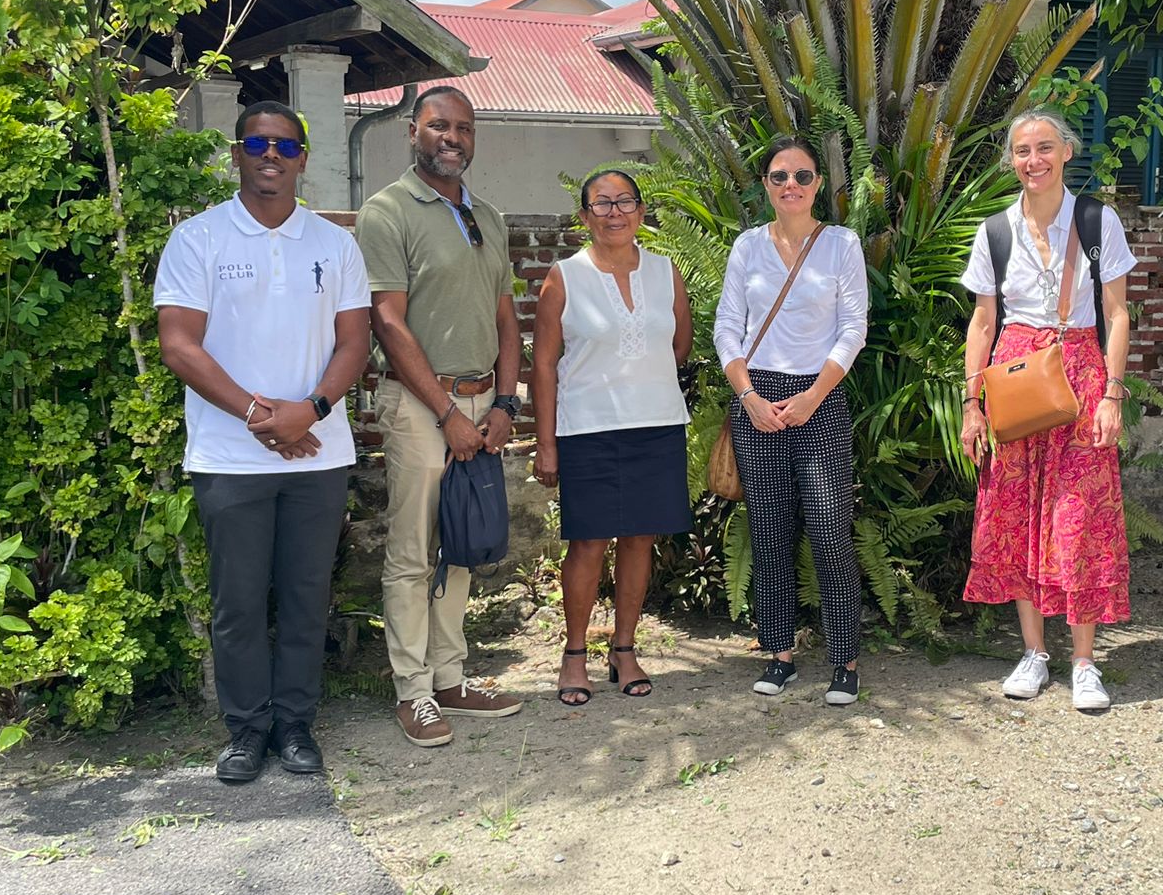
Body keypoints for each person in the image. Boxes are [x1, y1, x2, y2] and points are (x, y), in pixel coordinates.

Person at [155, 101, 371, 783]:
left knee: (307, 595)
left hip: (319, 452)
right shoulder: (198, 239)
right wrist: (260, 415)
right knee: (240, 602)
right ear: (237, 154)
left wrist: (308, 411)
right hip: (229, 457)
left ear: (304, 157)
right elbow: (179, 345)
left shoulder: (334, 244)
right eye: (256, 143)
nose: (270, 155)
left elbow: (355, 341)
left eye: (284, 145)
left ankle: (296, 726)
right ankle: (246, 731)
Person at [357, 86, 525, 748]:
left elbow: (508, 319)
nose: (450, 138)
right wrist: (449, 412)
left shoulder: (488, 214)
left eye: (462, 128)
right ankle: (414, 691)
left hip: (484, 406)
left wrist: (506, 405)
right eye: (437, 126)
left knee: (460, 546)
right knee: (410, 555)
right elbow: (388, 323)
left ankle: (451, 677)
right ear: (412, 132)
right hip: (423, 406)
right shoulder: (387, 211)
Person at [959, 109, 1136, 711]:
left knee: (1079, 515)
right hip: (1013, 379)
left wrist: (1112, 392)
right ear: (1011, 160)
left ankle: (1084, 661)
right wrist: (971, 405)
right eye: (1021, 151)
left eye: (1043, 148)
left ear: (1065, 152)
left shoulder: (1095, 220)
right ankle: (1034, 653)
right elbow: (983, 322)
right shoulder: (995, 231)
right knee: (1017, 514)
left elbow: (1116, 314)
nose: (1032, 160)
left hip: (1081, 373)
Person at [714, 134, 869, 705]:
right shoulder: (748, 247)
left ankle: (845, 660)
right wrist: (749, 396)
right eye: (780, 177)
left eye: (802, 176)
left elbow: (853, 327)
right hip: (757, 401)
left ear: (818, 186)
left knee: (830, 533)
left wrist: (812, 396)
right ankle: (778, 653)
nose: (791, 186)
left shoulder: (841, 245)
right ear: (766, 187)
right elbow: (727, 326)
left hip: (820, 397)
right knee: (771, 534)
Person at [530, 171, 693, 704]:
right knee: (588, 543)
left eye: (625, 201)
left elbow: (679, 347)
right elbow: (545, 365)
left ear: (642, 212)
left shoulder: (667, 273)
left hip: (655, 425)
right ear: (584, 218)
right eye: (601, 203)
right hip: (588, 430)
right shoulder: (564, 277)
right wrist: (548, 442)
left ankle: (624, 650)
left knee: (641, 538)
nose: (614, 211)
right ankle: (574, 654)